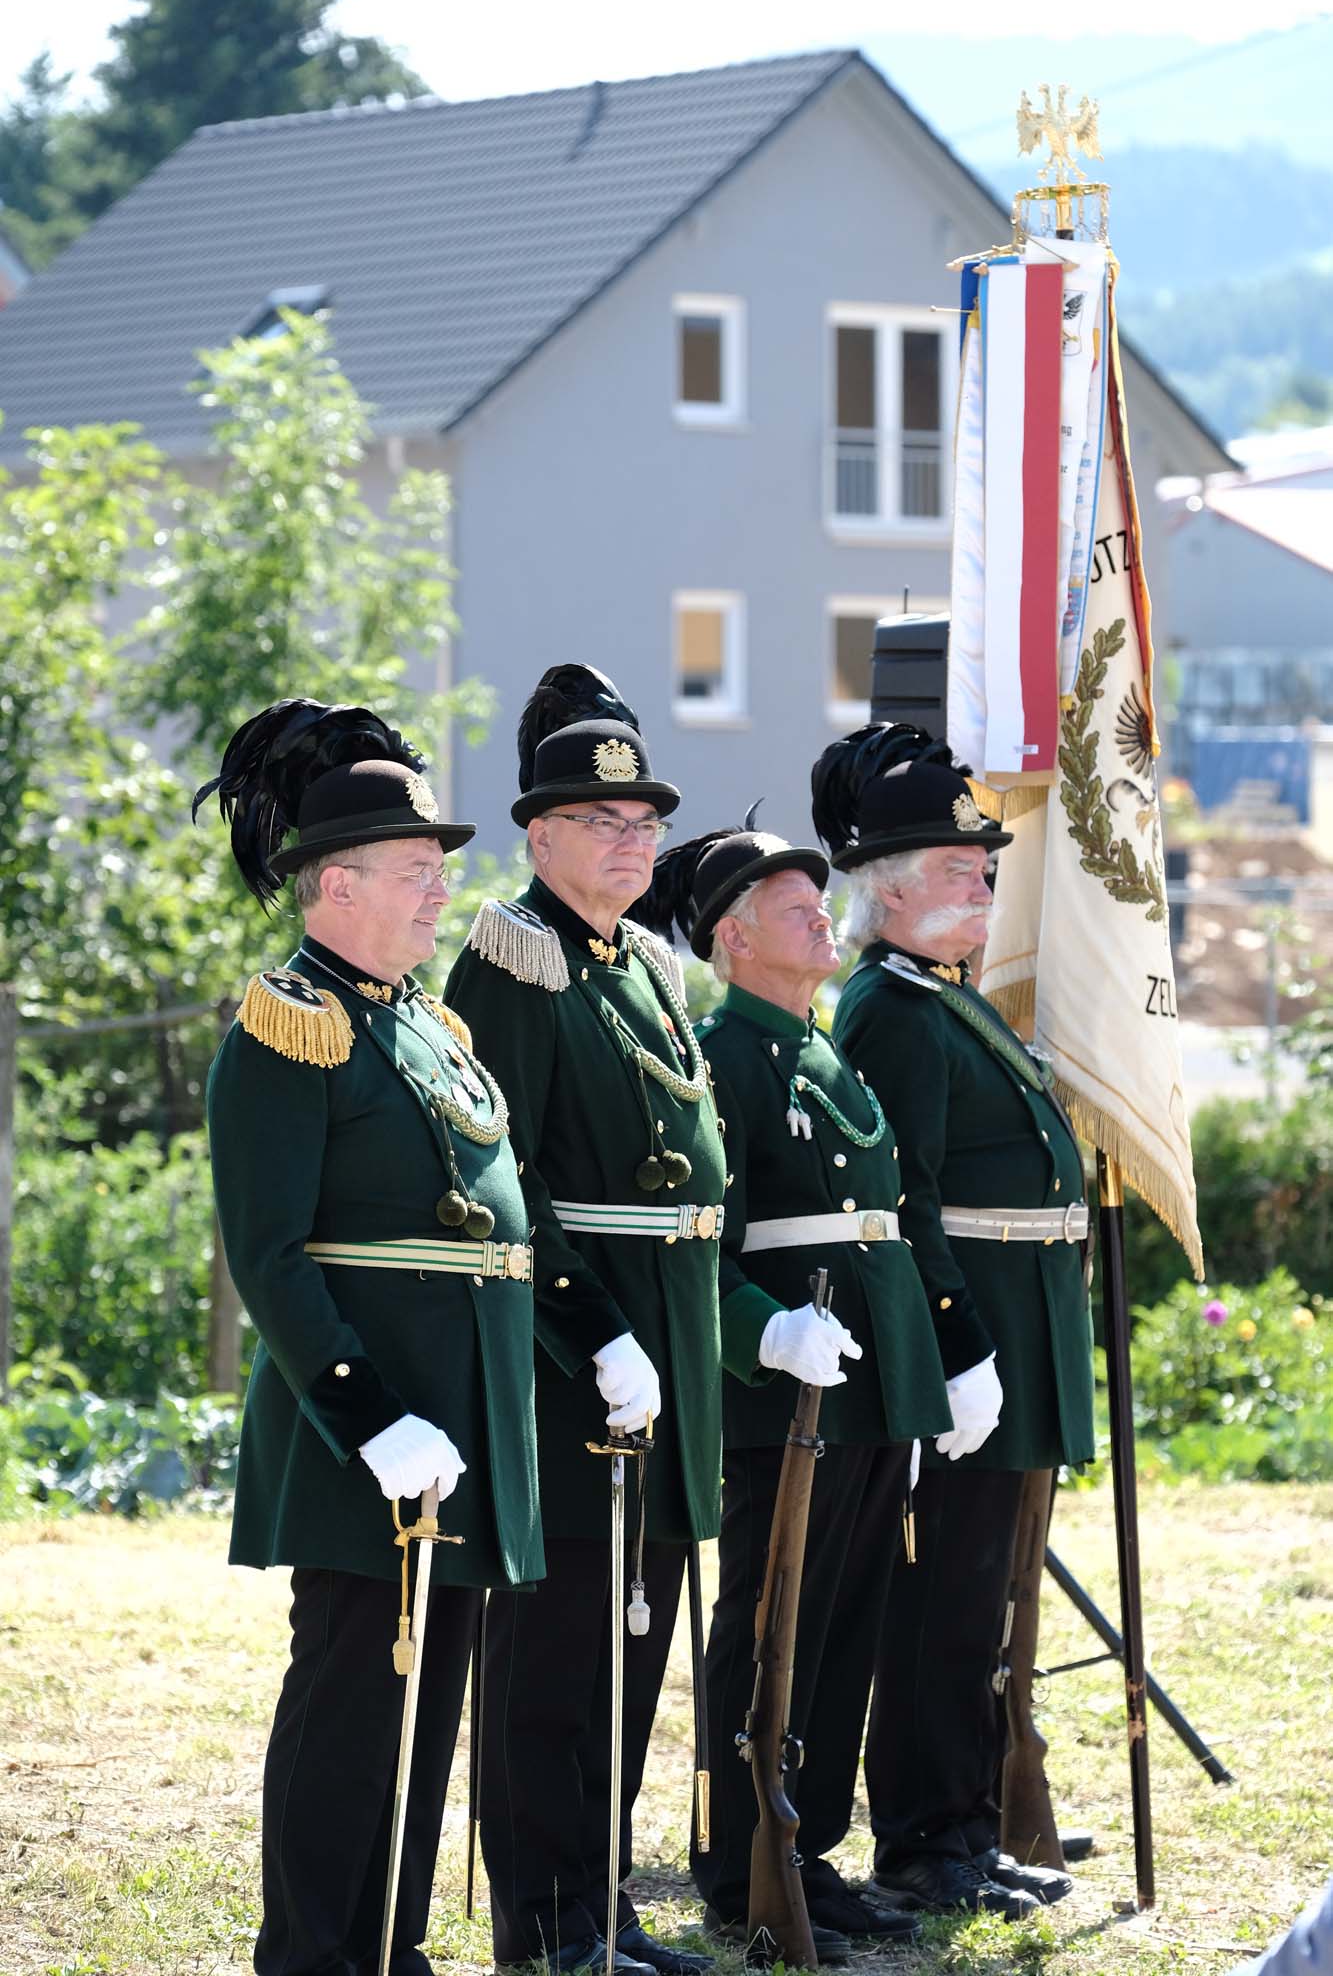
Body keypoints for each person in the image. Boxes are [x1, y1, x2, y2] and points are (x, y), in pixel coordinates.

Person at [200, 699, 544, 1976]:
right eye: (415, 869)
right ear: (335, 884)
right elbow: (269, 1252)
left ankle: (389, 1947)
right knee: (352, 1693)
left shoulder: (423, 1024)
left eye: (439, 867)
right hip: (368, 1422)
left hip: (455, 1412)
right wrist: (368, 1416)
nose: (441, 888)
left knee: (426, 1700)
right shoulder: (290, 1021)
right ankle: (311, 1954)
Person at [631, 819, 957, 1961]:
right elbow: (704, 1240)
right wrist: (762, 1336)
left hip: (864, 1372)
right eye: (792, 906)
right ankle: (742, 1858)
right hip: (786, 1384)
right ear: (732, 936)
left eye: (819, 901)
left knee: (844, 1617)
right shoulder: (721, 1056)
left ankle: (806, 1846)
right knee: (772, 1620)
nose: (823, 916)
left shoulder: (820, 1049)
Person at [444, 666, 726, 1976]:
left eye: (644, 822)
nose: (629, 841)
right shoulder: (515, 958)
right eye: (600, 822)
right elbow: (501, 1179)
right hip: (573, 1360)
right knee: (555, 1651)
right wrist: (593, 1328)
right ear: (538, 834)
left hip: (665, 1345)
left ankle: (601, 1905)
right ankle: (544, 1925)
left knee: (633, 1640)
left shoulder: (644, 967)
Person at [815, 725, 1092, 1921]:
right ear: (886, 887)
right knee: (939, 1596)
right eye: (956, 866)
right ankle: (927, 1839)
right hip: (968, 1334)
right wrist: (957, 1345)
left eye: (983, 865)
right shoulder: (890, 1006)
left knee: (984, 1590)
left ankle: (970, 1822)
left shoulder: (943, 996)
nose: (982, 882)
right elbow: (904, 1197)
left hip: (1016, 1326)